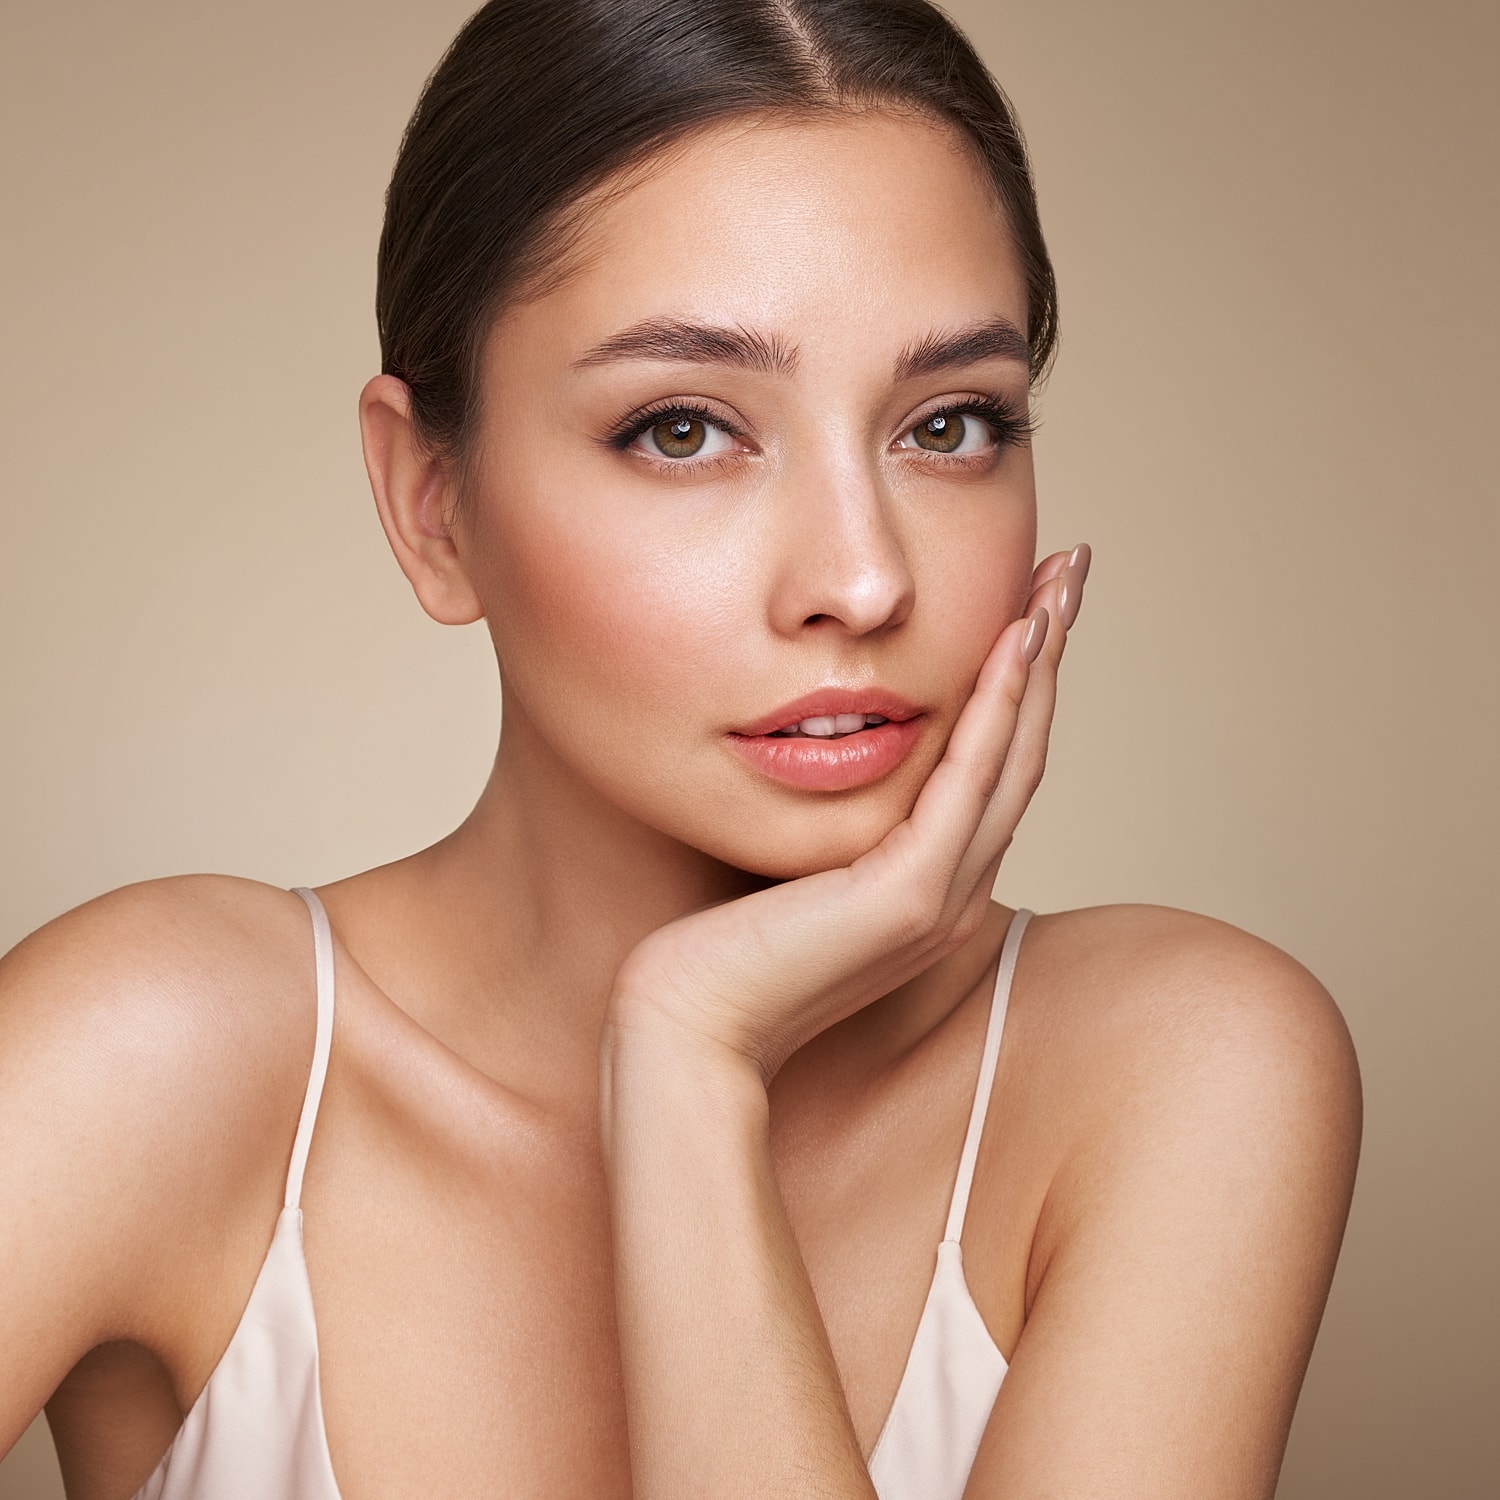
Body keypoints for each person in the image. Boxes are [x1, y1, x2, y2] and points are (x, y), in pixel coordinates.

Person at [0, 2, 1361, 1496]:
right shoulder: (157, 1058)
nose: (862, 578)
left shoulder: (1174, 1068)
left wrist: (691, 1069)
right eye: (683, 431)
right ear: (429, 501)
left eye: (951, 426)